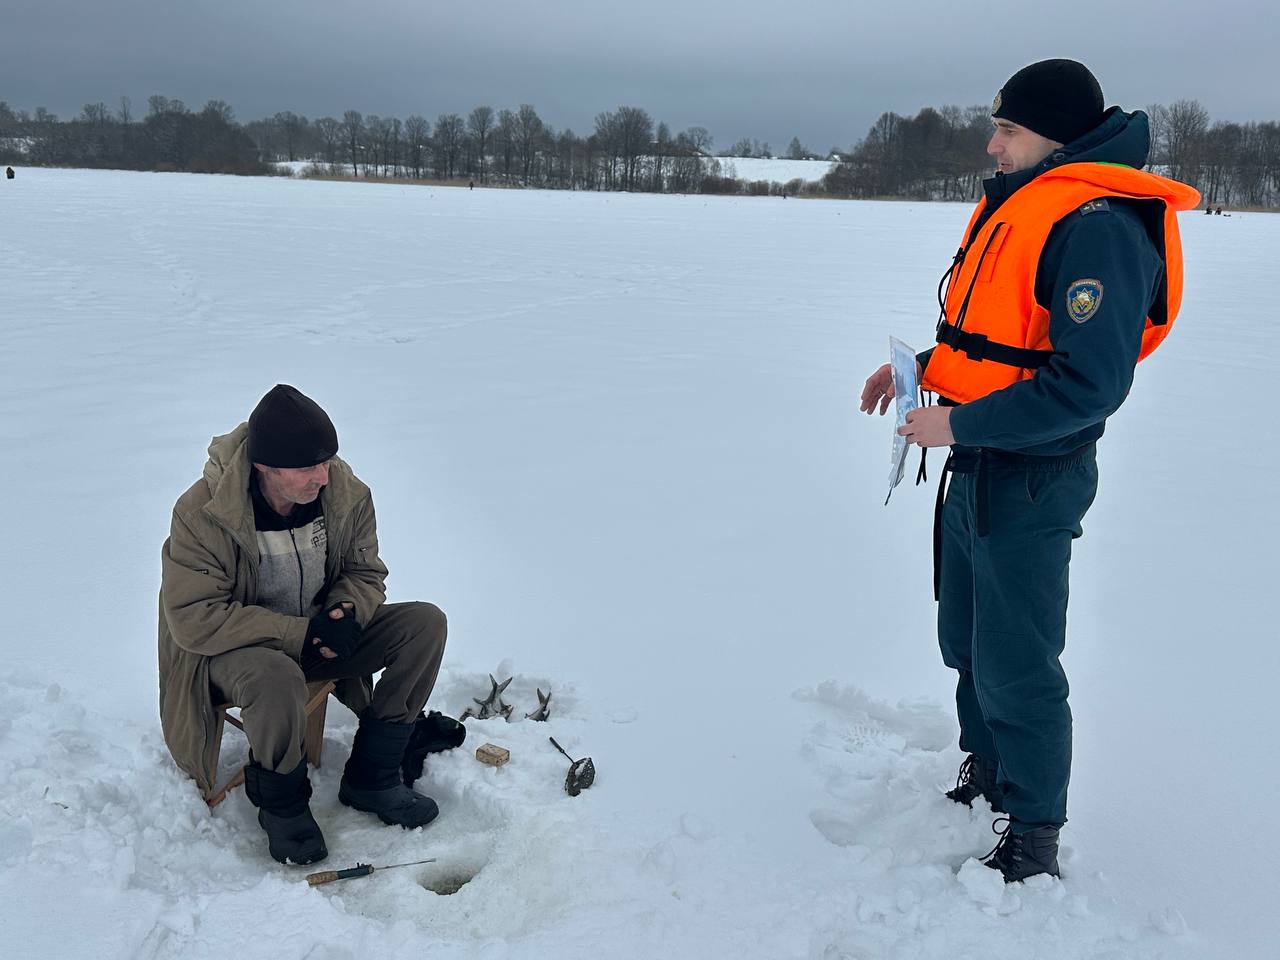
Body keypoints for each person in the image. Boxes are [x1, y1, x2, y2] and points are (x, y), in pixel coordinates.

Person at [859, 59, 1198, 882]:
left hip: (1032, 474)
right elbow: (1003, 339)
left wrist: (959, 421)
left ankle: (1035, 832)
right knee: (967, 641)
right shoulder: (1023, 203)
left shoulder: (1099, 226)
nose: (993, 142)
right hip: (976, 462)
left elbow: (1087, 384)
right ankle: (990, 770)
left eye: (1008, 129)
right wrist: (928, 367)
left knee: (1018, 660)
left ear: (1055, 136)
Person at [158, 384, 462, 865]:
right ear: (265, 467)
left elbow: (365, 573)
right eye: (306, 467)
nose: (323, 476)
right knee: (275, 674)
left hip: (319, 633)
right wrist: (300, 634)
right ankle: (282, 808)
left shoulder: (344, 494)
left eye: (327, 461)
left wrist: (344, 612)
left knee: (424, 625)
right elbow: (195, 619)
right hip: (233, 652)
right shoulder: (203, 514)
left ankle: (373, 776)